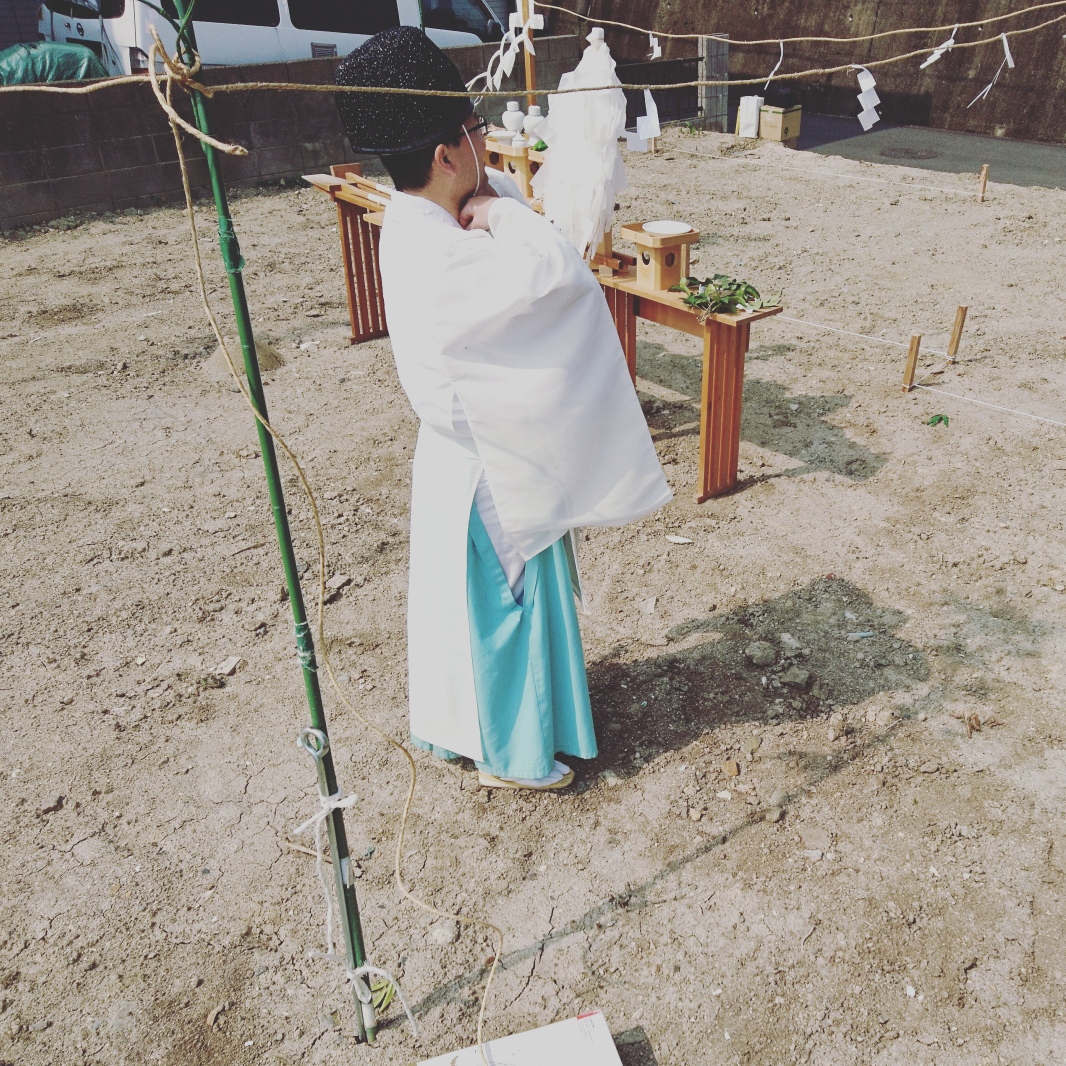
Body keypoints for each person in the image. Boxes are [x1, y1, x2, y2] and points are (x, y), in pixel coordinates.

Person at [334, 27, 671, 790]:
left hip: (469, 445)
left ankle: (492, 729)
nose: (483, 140)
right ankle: (512, 756)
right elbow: (560, 273)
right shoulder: (447, 249)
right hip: (488, 458)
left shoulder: (414, 217)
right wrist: (504, 216)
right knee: (503, 608)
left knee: (480, 604)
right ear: (447, 153)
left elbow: (519, 222)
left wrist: (496, 207)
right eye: (474, 129)